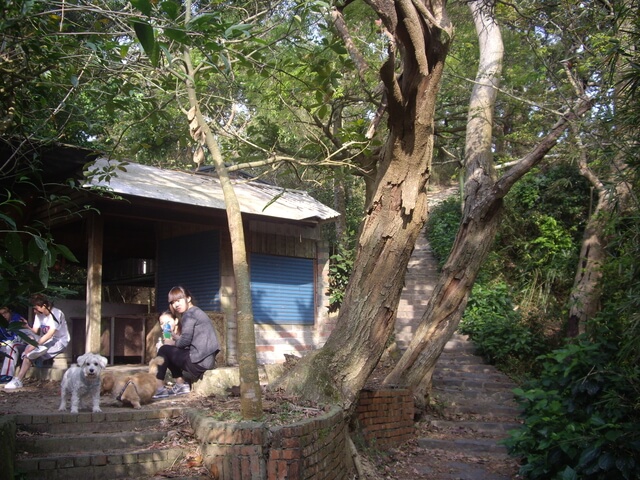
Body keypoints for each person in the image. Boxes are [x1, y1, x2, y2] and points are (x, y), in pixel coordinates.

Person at [153, 286, 219, 398]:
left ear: (188, 298)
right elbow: (187, 341)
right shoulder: (196, 312)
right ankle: (181, 385)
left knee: (164, 350)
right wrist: (174, 337)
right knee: (168, 351)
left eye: (179, 300)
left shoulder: (190, 314)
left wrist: (172, 343)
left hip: (199, 361)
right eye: (173, 302)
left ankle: (159, 388)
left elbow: (184, 342)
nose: (176, 305)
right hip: (205, 360)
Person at [4, 294, 70, 390]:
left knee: (31, 352)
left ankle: (18, 379)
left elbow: (50, 334)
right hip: (44, 340)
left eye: (36, 308)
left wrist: (33, 346)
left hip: (59, 341)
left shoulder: (56, 314)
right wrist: (27, 326)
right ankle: (18, 376)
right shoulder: (39, 315)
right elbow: (35, 331)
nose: (34, 311)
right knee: (28, 338)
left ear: (44, 306)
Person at [0, 306, 30, 383]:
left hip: (23, 344)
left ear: (9, 312)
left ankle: (6, 375)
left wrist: (5, 343)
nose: (3, 316)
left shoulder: (17, 319)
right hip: (6, 344)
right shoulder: (1, 322)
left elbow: (19, 336)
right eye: (1, 314)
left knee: (11, 347)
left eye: (5, 313)